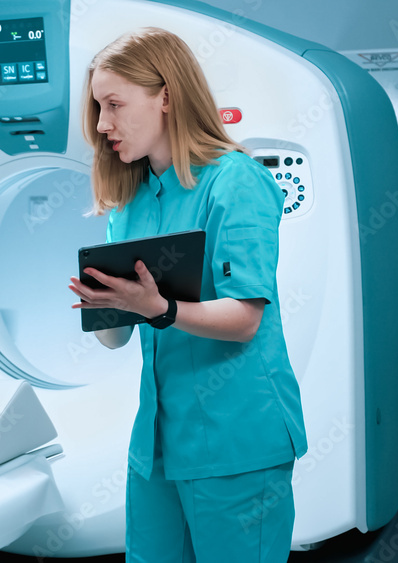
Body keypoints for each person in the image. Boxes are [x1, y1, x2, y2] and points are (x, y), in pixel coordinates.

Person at [67, 28, 308, 562]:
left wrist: (158, 308)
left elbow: (245, 317)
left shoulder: (234, 181)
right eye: (98, 107)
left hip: (235, 438)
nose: (102, 124)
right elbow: (116, 338)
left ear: (167, 97)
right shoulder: (131, 199)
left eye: (114, 105)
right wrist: (103, 306)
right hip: (157, 442)